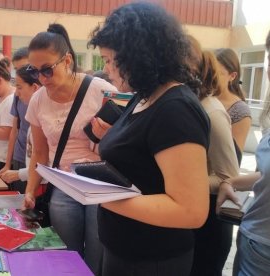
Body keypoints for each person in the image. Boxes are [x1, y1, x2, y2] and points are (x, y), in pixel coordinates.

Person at [88, 3, 211, 275]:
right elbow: (142, 160)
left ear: (136, 55)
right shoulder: (143, 96)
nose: (106, 69)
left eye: (109, 60)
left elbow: (191, 210)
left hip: (151, 258)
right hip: (122, 247)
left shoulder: (176, 108)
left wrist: (100, 196)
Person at [23, 23, 116, 275]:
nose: (41, 79)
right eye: (34, 72)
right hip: (63, 184)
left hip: (100, 185)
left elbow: (125, 147)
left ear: (67, 61)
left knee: (97, 259)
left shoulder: (102, 91)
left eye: (47, 70)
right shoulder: (38, 100)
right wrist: (30, 190)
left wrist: (104, 138)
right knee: (66, 258)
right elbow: (40, 153)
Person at [216, 29, 270, 276]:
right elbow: (265, 175)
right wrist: (232, 181)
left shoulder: (239, 110)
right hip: (256, 240)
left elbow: (232, 156)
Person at [190, 50, 239, 276]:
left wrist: (181, 179)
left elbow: (229, 176)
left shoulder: (212, 112)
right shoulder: (194, 105)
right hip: (195, 216)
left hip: (211, 222)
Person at [0, 66, 42, 189]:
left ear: (34, 87)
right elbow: (15, 130)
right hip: (23, 161)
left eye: (19, 87)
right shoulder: (26, 106)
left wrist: (19, 174)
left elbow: (45, 162)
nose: (16, 93)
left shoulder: (45, 117)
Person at [0, 47, 30, 193]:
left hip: (35, 160)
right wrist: (8, 163)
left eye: (24, 67)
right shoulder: (18, 95)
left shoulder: (46, 96)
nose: (20, 73)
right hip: (19, 157)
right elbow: (14, 130)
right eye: (16, 69)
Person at [215, 48, 251, 161]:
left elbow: (233, 158)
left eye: (217, 74)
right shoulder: (201, 99)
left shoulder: (240, 111)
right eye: (208, 72)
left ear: (232, 76)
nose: (210, 78)